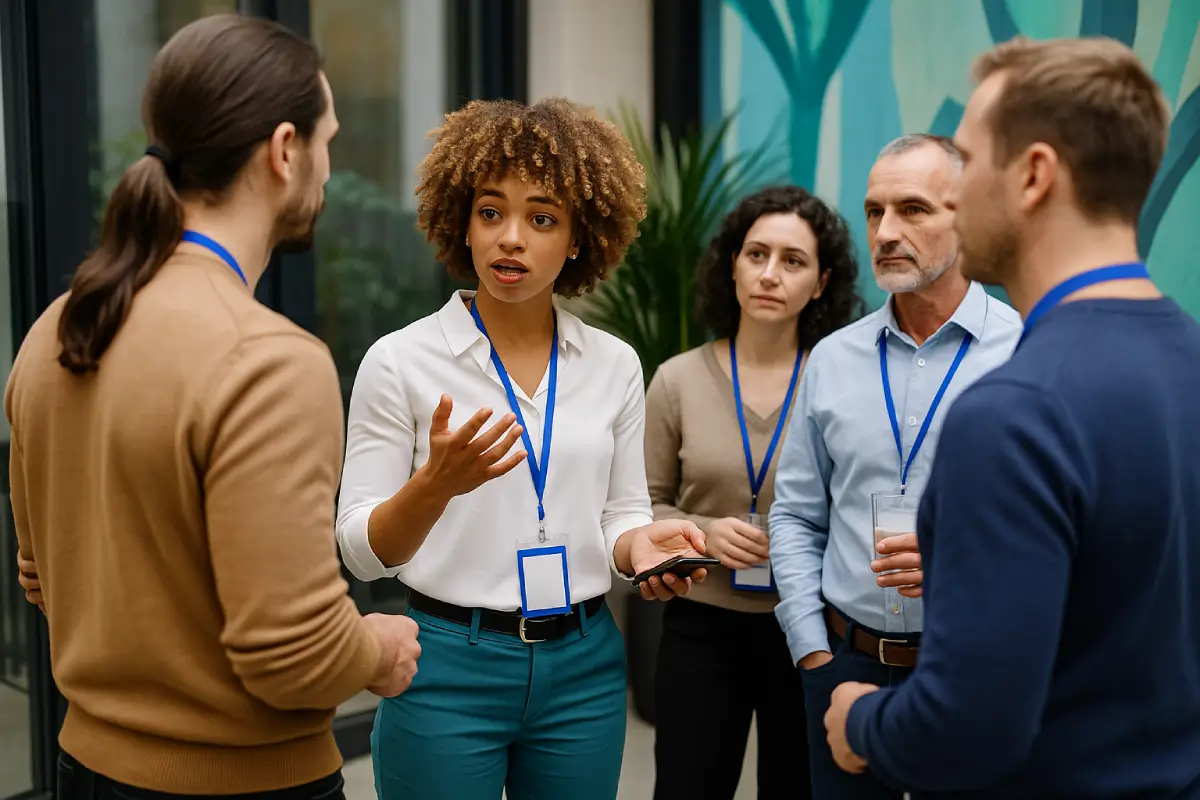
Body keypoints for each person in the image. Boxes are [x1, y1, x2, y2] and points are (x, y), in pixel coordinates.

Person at [4, 15, 422, 798]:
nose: (329, 169)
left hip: (85, 771)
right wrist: (377, 648)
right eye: (328, 140)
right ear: (285, 150)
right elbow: (293, 653)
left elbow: (40, 576)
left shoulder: (53, 331)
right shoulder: (271, 363)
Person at [824, 36, 1200, 798]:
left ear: (1033, 175)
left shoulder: (1013, 415)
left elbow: (967, 730)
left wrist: (859, 719)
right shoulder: (1187, 356)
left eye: (968, 161)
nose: (954, 195)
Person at [334, 97, 709, 800]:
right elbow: (360, 551)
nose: (511, 238)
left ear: (577, 239)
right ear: (463, 223)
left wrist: (640, 547)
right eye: (490, 212)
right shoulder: (400, 361)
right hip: (446, 664)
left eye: (541, 218)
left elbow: (621, 513)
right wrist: (434, 486)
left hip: (584, 666)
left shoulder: (614, 364)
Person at [768, 134, 1022, 799]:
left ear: (965, 216)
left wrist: (959, 564)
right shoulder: (832, 358)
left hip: (973, 668)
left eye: (912, 210)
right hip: (844, 664)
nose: (884, 233)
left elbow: (1061, 530)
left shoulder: (1025, 352)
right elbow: (795, 514)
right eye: (874, 211)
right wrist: (813, 651)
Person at [644, 185, 864, 799]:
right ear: (733, 266)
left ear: (820, 284)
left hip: (811, 628)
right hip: (701, 629)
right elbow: (641, 506)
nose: (770, 274)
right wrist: (702, 531)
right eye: (756, 254)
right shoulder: (677, 381)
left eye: (793, 261)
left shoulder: (841, 384)